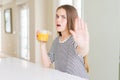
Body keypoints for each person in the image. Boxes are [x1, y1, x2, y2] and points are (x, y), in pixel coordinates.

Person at [37, 5, 89, 79]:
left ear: (70, 19)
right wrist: (42, 44)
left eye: (63, 17)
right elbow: (46, 64)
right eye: (57, 16)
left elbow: (82, 51)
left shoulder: (74, 39)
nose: (58, 20)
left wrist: (84, 45)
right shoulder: (56, 41)